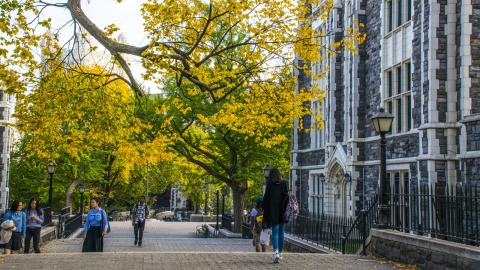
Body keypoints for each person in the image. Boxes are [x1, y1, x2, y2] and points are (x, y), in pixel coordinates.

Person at [262, 168, 289, 263]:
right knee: (282, 233)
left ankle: (276, 252)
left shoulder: (270, 185)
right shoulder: (284, 183)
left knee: (275, 233)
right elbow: (286, 197)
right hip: (282, 211)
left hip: (273, 212)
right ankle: (281, 253)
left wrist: (264, 209)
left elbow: (266, 199)